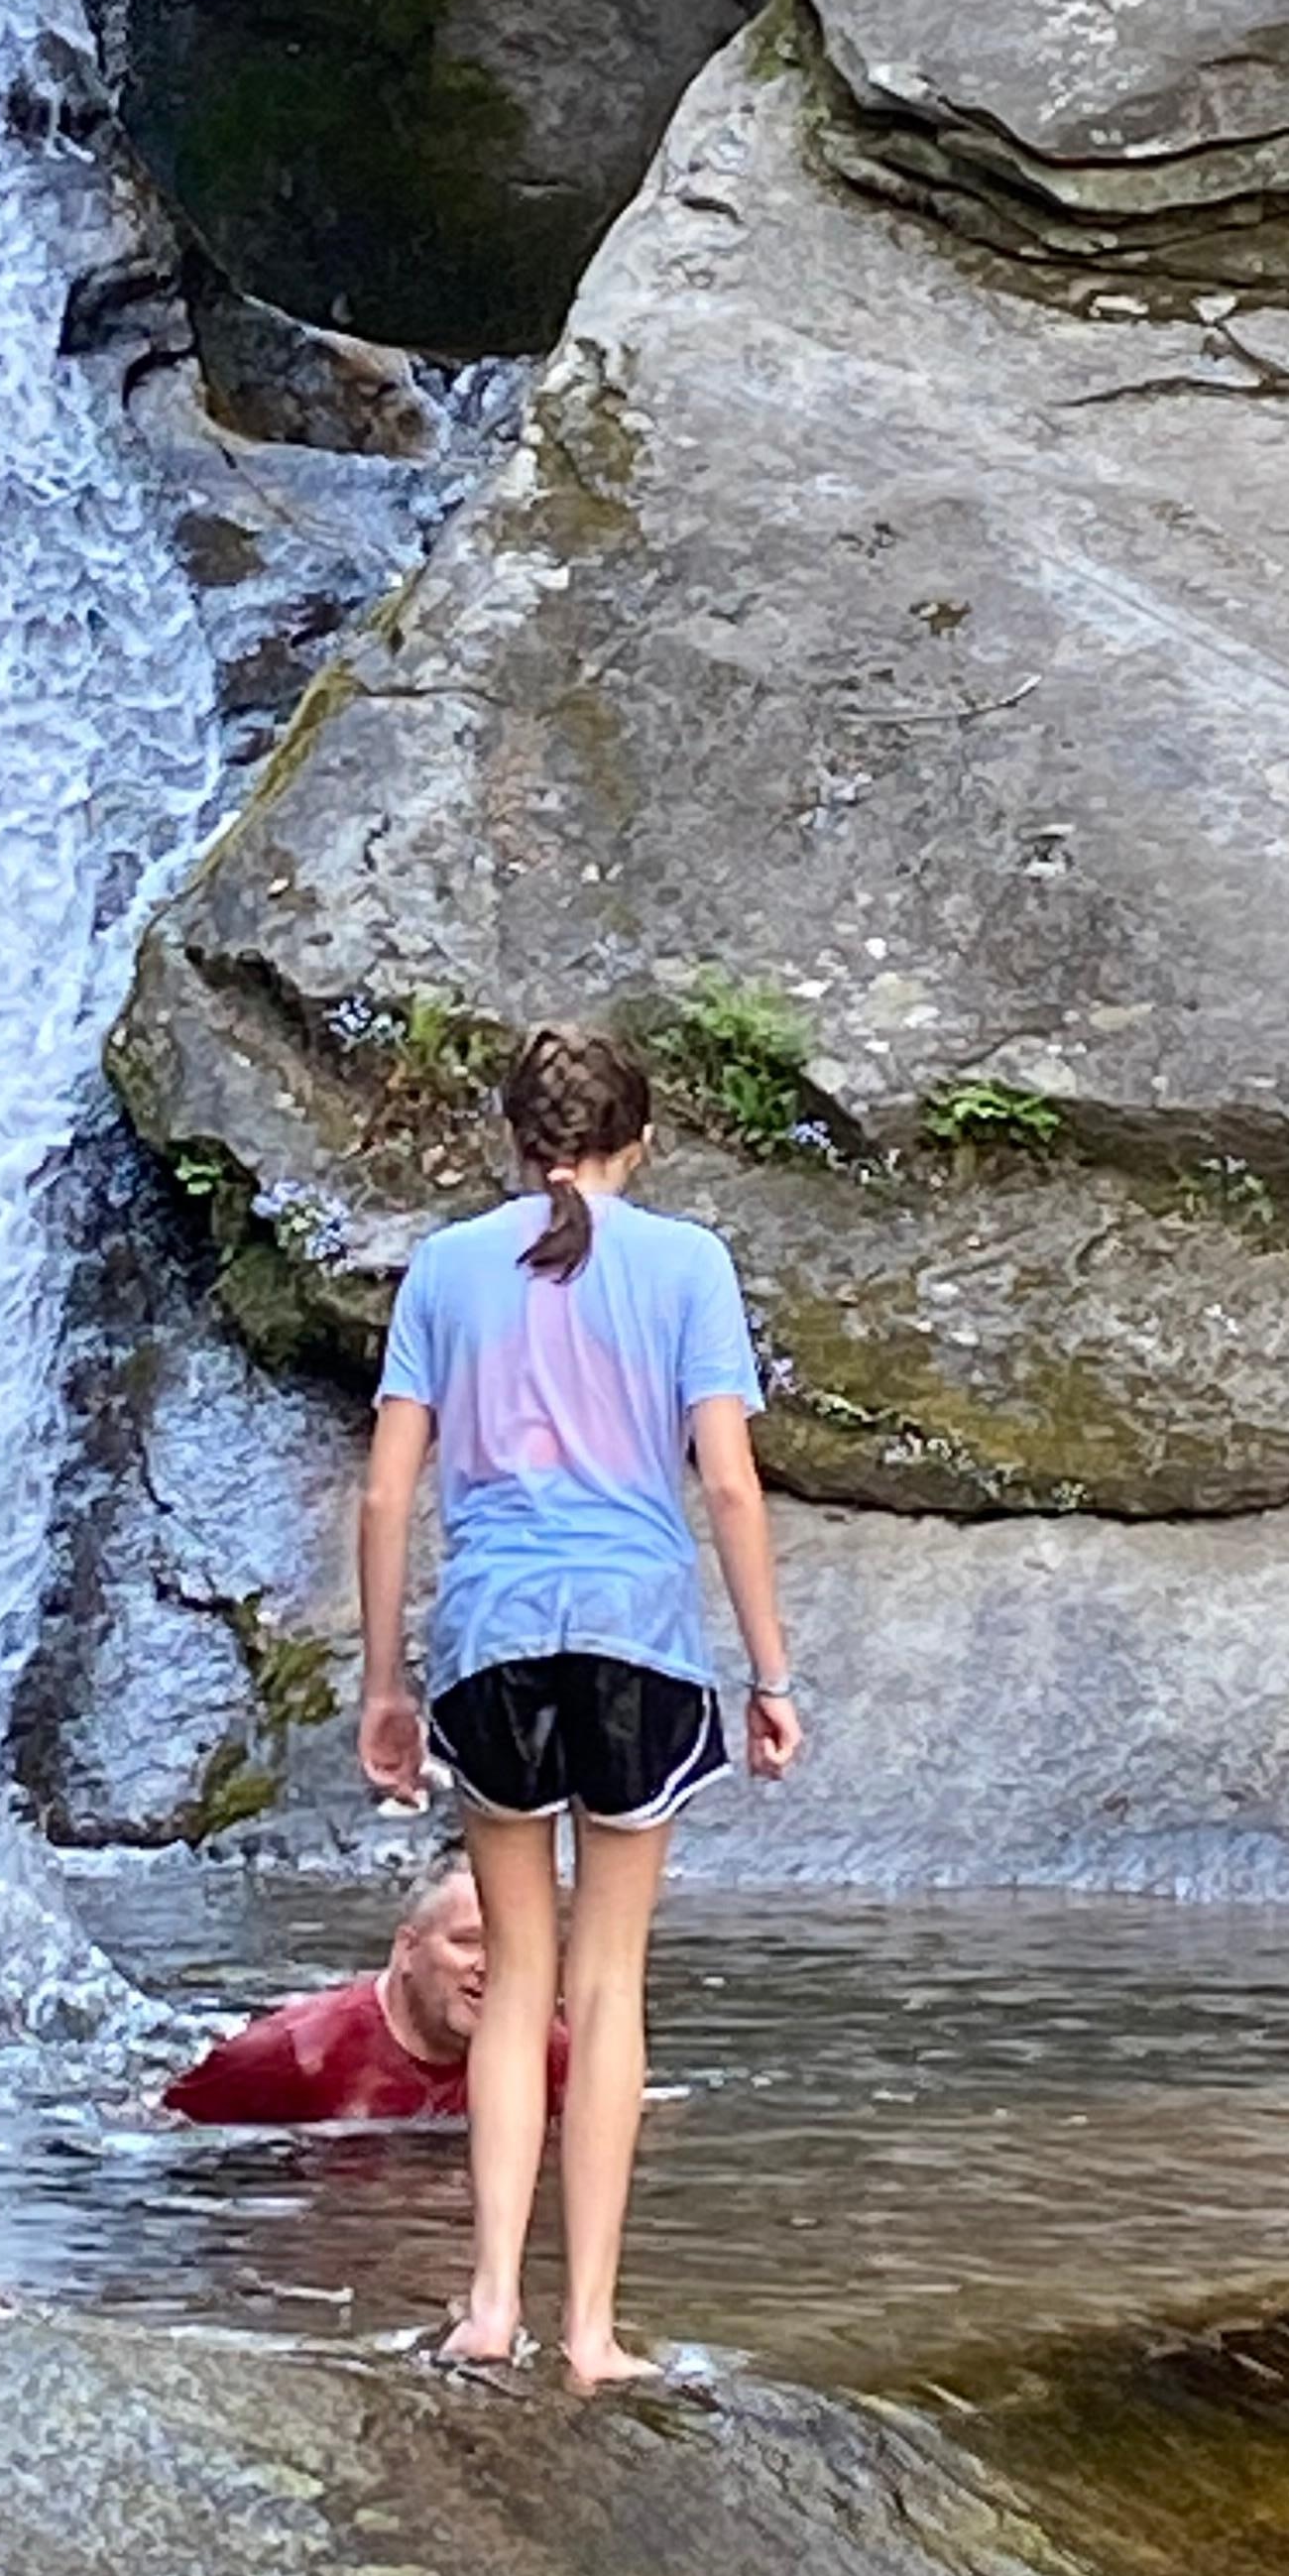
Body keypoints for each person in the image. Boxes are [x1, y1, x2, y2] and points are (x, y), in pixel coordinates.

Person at [357, 1021, 802, 2387]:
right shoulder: (686, 1264)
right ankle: (592, 2332)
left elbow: (386, 1493)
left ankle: (488, 2306)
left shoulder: (442, 1268)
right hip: (638, 1639)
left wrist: (384, 1683)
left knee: (519, 1984)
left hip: (492, 1638)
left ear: (514, 1141)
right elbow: (727, 1482)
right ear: (641, 1140)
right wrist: (772, 1674)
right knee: (608, 1985)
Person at [161, 1861, 568, 2129]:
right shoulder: (293, 2054)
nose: (492, 1965)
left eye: (512, 1946)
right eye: (467, 1942)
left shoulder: (552, 2057)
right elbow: (166, 2137)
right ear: (406, 1950)